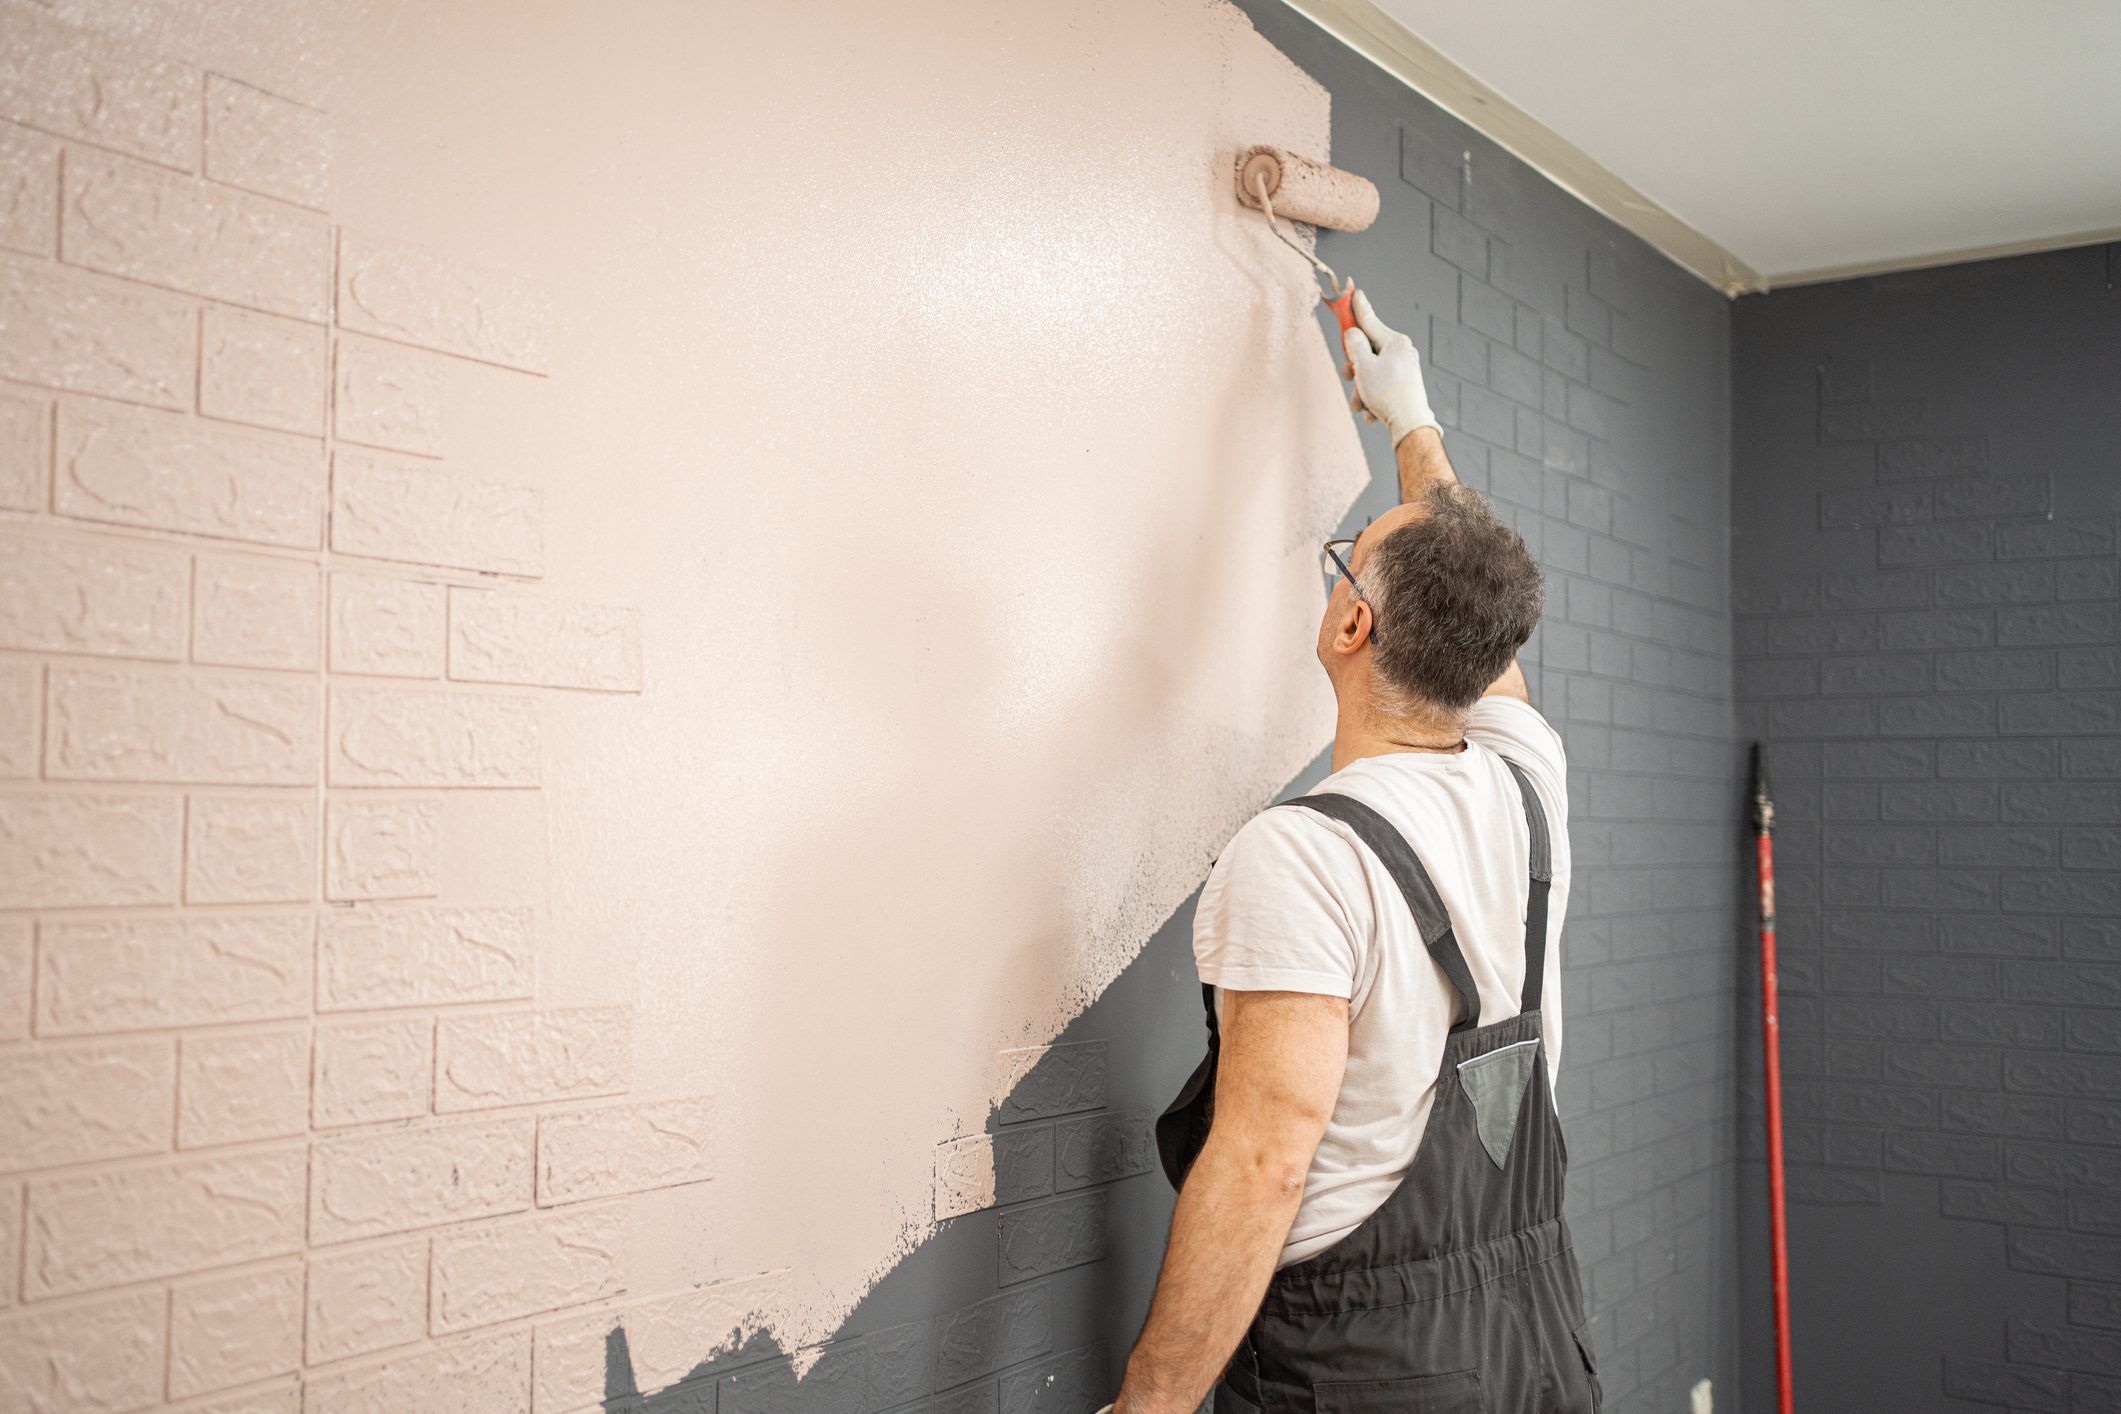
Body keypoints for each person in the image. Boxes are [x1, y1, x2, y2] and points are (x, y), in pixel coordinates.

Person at [1106, 292, 1599, 1413]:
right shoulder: (1528, 782)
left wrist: (1152, 1402)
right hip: (1538, 1340)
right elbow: (1479, 598)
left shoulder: (1301, 858)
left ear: (1350, 627)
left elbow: (1265, 1160)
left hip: (1373, 1370)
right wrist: (1410, 422)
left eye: (1347, 563)